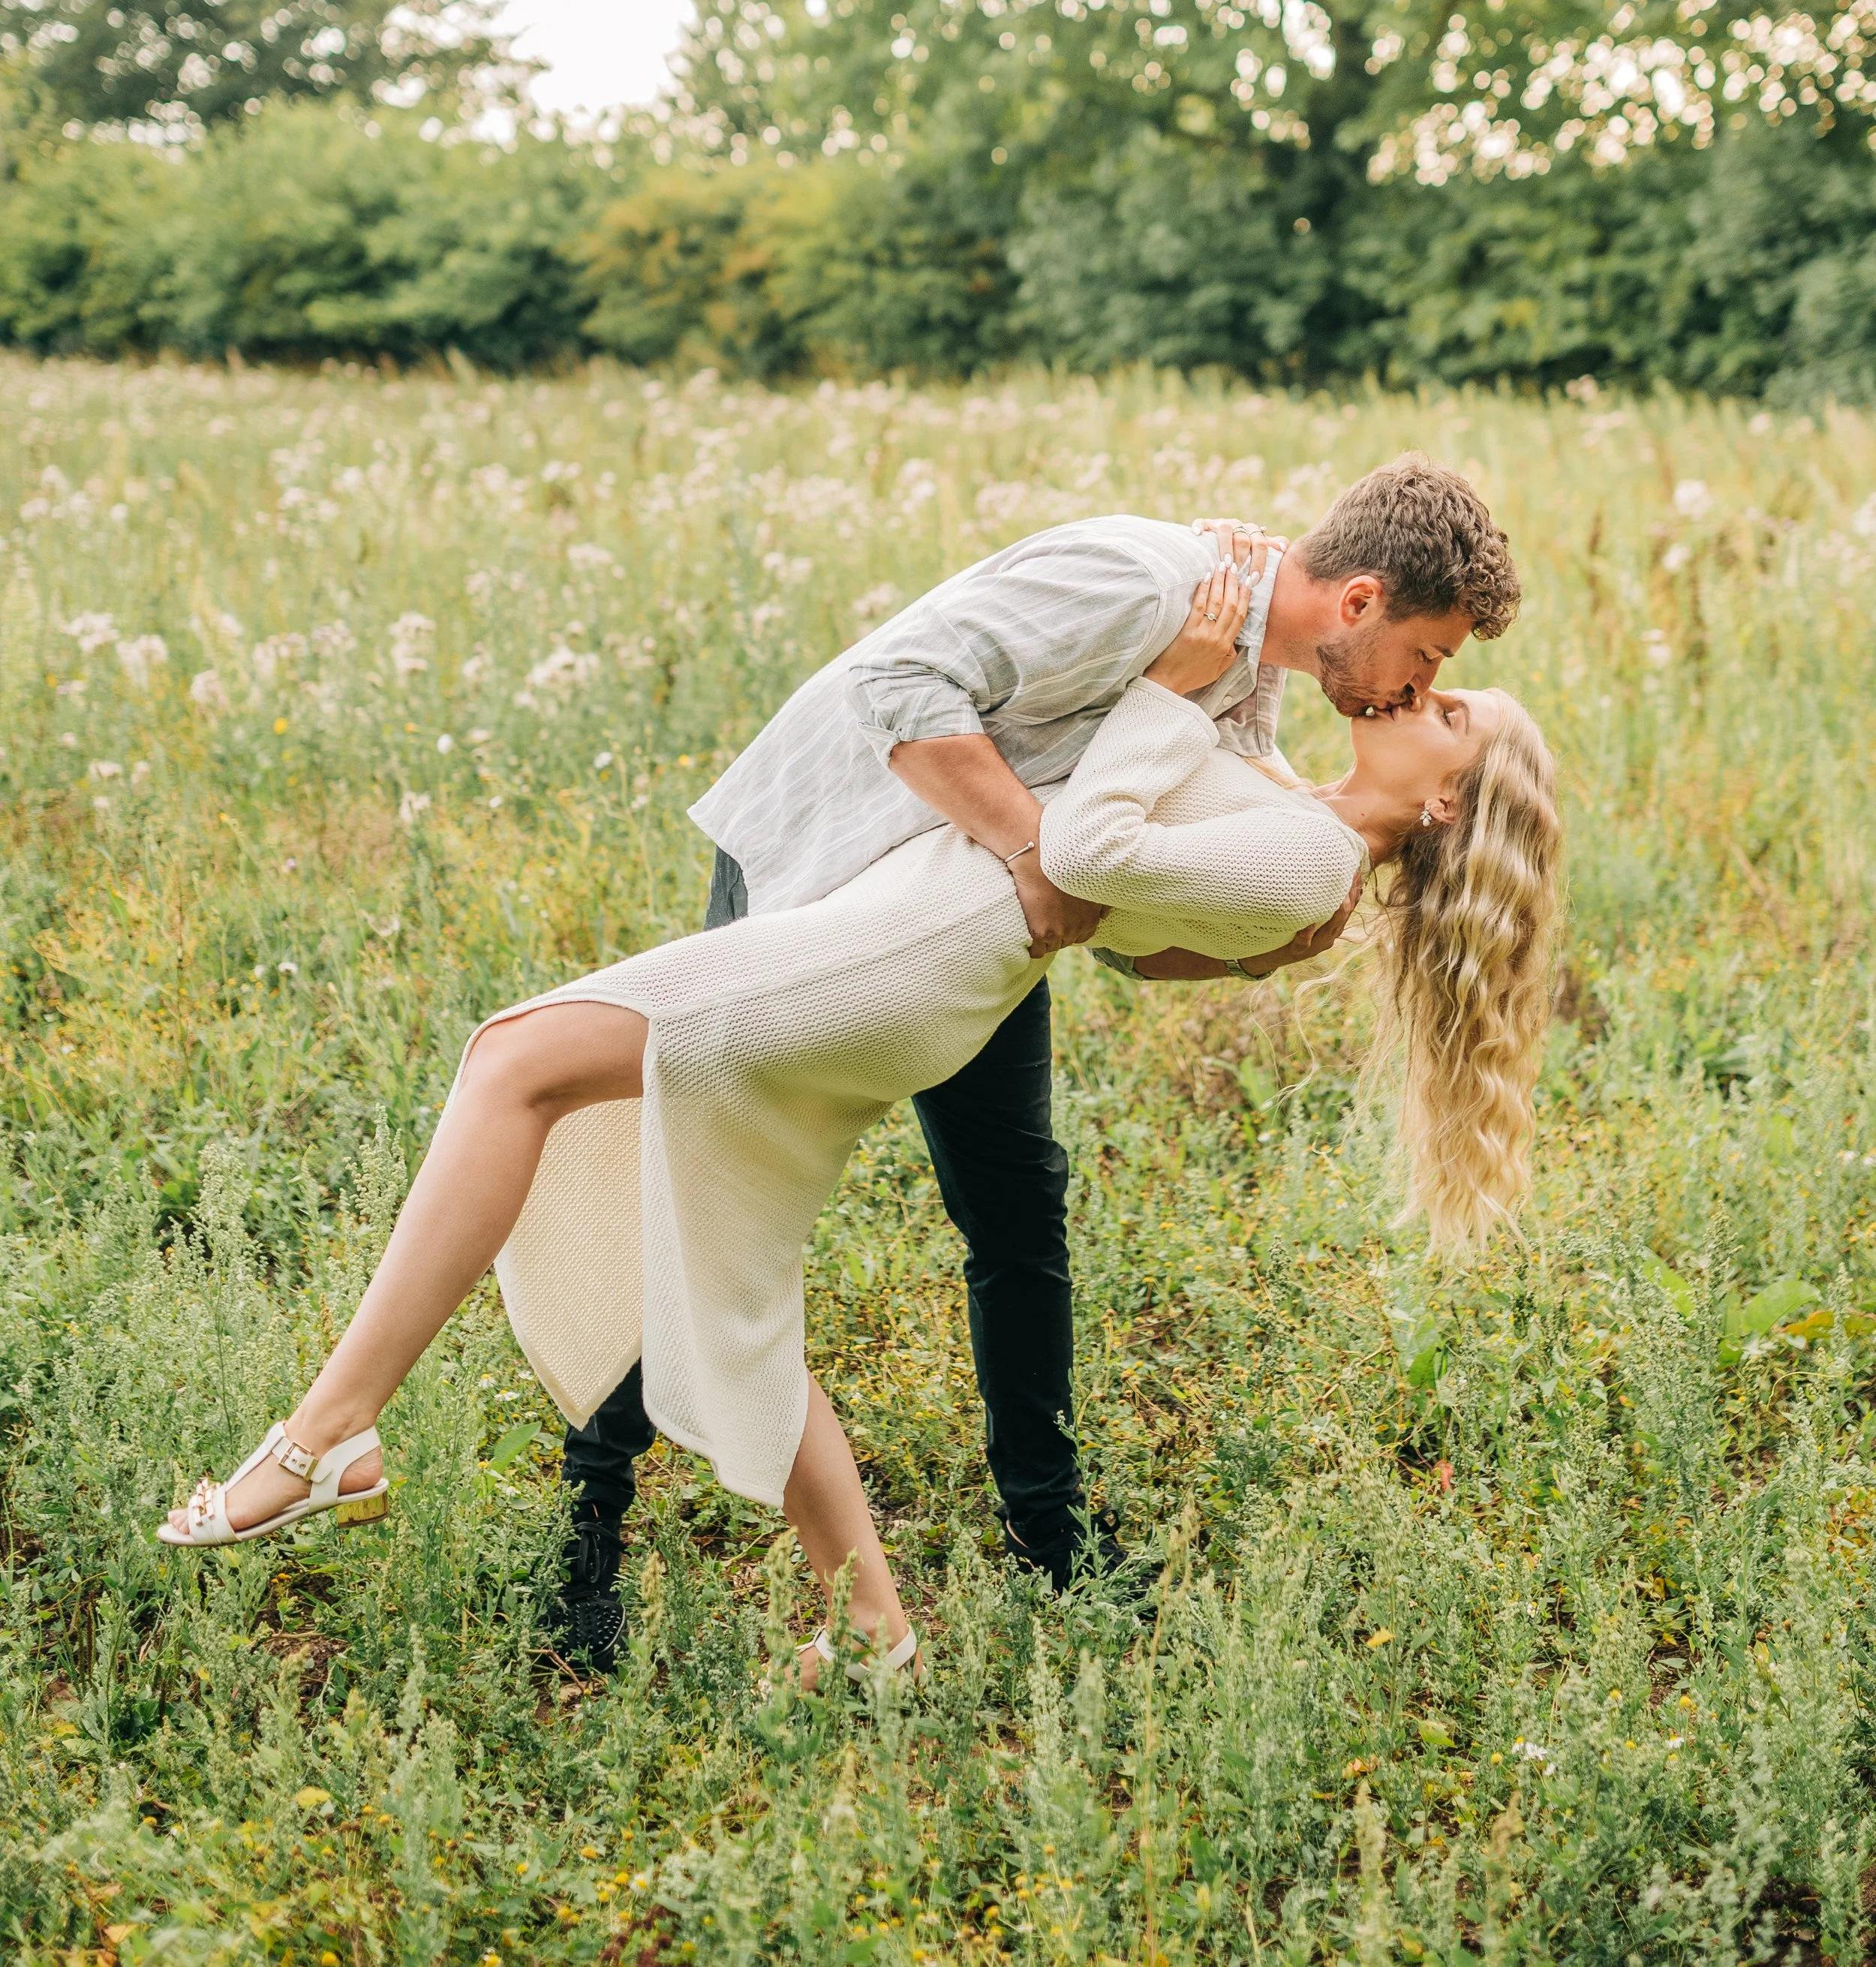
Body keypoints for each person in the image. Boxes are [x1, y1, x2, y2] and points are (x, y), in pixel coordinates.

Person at [157, 562, 1561, 1698]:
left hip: (898, 962)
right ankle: (876, 1632)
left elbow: (1085, 858)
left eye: (1446, 708)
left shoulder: (1314, 853)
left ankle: (328, 1434)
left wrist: (1164, 689)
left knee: (513, 1064)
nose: (1421, 694)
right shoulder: (1302, 814)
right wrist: (1210, 706)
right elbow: (1156, 873)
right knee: (730, 1262)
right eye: (1432, 673)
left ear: (1445, 801)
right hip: (897, 941)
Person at [551, 455, 1521, 1657]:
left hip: (959, 924)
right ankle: (581, 1546)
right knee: (698, 1195)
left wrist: (1250, 950)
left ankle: (1054, 1542)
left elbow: (1135, 903)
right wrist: (1029, 852)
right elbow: (897, 684)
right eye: (1427, 659)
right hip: (827, 869)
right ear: (1365, 601)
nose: (1414, 688)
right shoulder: (1140, 582)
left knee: (1018, 1209)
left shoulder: (1244, 668)